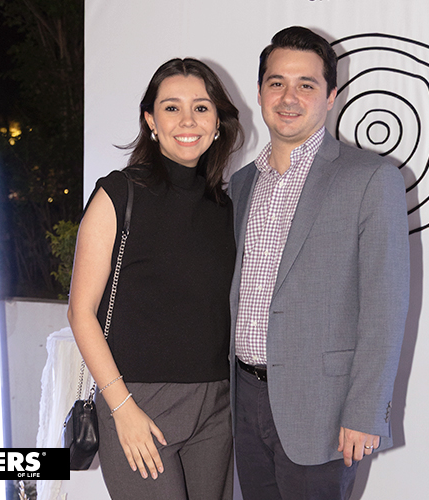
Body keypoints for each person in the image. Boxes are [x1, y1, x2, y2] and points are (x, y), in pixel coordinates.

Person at [228, 26, 410, 500]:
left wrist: (365, 412)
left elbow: (385, 307)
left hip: (322, 410)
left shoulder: (371, 178)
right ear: (260, 92)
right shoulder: (241, 184)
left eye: (306, 85)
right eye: (277, 83)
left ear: (330, 96)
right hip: (244, 400)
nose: (289, 97)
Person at [67, 57, 243, 500]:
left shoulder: (224, 207)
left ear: (217, 122)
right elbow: (81, 312)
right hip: (137, 401)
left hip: (215, 406)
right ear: (150, 120)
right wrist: (122, 408)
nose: (188, 120)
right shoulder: (119, 193)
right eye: (171, 107)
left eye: (201, 108)